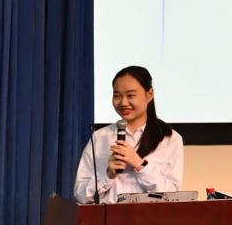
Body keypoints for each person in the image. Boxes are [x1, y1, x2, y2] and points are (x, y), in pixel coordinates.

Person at [74, 65, 184, 203]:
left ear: (149, 94)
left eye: (131, 95)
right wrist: (108, 174)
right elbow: (80, 195)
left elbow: (173, 195)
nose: (123, 102)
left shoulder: (170, 139)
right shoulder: (99, 137)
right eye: (117, 96)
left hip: (149, 216)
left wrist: (139, 164)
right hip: (108, 216)